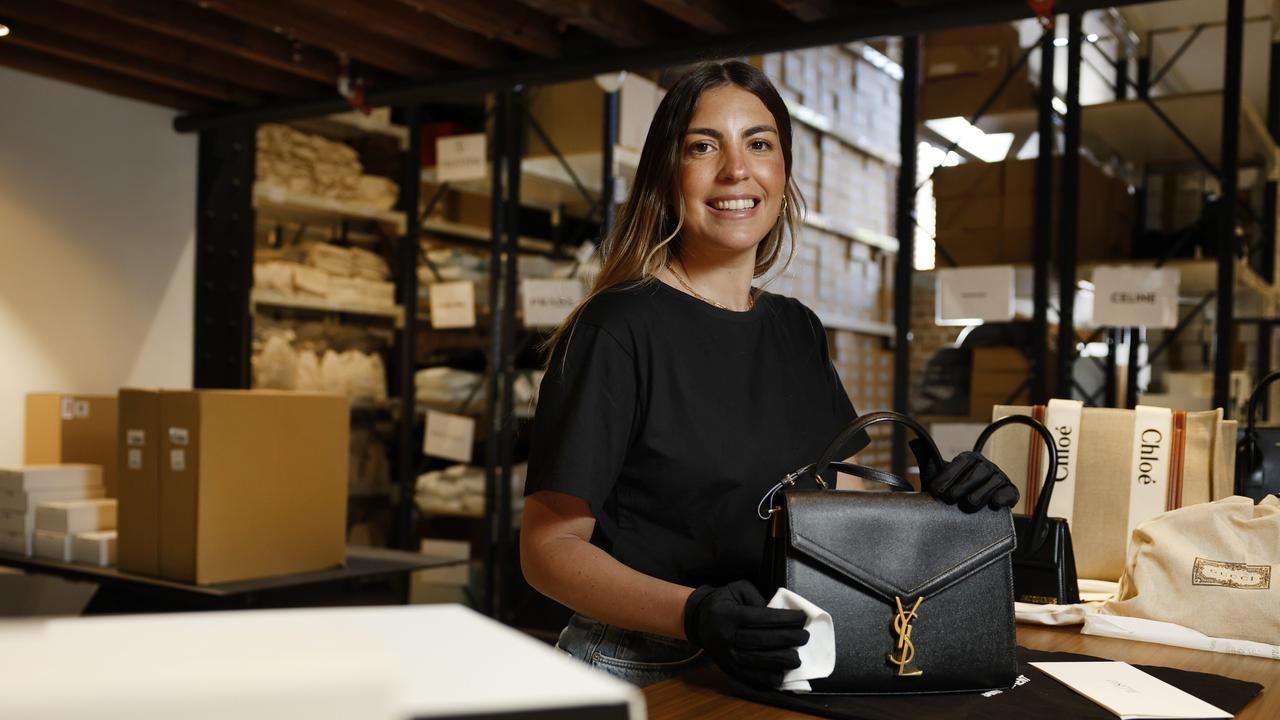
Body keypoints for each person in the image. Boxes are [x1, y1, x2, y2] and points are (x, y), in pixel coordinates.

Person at [520, 60, 1018, 689]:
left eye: (759, 144)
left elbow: (836, 508)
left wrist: (943, 508)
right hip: (642, 664)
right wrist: (695, 613)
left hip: (787, 654)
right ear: (665, 175)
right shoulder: (617, 328)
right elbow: (547, 553)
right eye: (703, 146)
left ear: (782, 172)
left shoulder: (796, 329)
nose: (736, 169)